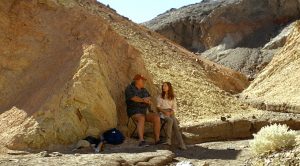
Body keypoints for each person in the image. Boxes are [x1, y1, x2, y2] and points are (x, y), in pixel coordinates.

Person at [125, 74, 163, 147]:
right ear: (137, 81)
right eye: (142, 80)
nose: (144, 82)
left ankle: (157, 140)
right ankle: (141, 141)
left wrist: (148, 100)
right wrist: (143, 100)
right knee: (141, 118)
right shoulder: (130, 88)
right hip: (134, 112)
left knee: (156, 117)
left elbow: (149, 97)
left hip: (145, 112)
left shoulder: (144, 89)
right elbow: (133, 98)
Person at [157, 82, 187, 150]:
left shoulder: (172, 96)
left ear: (169, 87)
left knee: (176, 127)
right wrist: (165, 112)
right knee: (170, 121)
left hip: (171, 112)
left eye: (165, 86)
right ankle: (168, 141)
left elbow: (174, 108)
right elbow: (158, 107)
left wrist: (170, 113)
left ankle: (181, 144)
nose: (163, 87)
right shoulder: (160, 96)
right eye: (163, 86)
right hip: (162, 113)